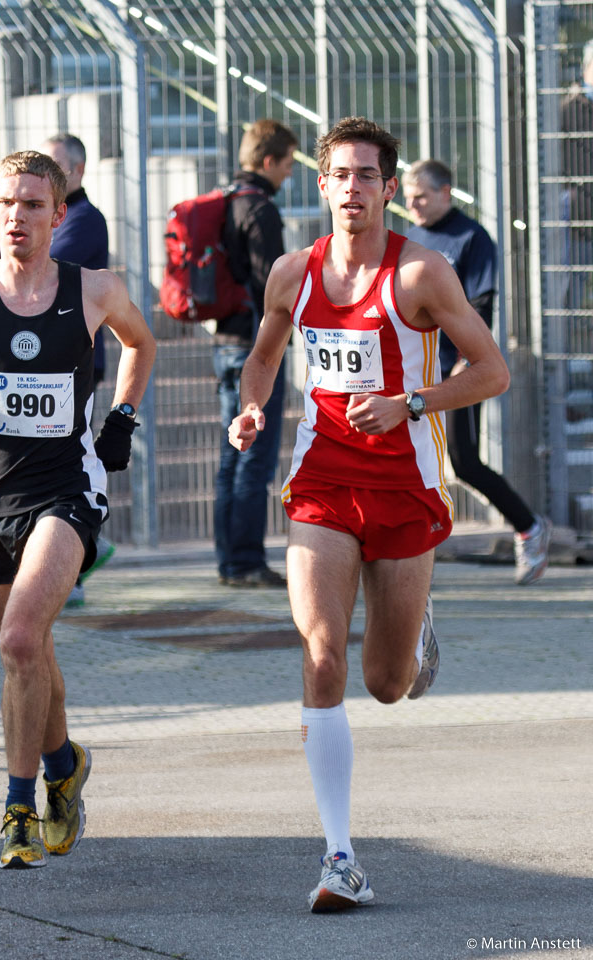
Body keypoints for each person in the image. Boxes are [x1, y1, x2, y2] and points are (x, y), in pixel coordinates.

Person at [228, 117, 510, 912]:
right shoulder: (294, 271)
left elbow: (492, 370)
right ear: (321, 186)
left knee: (386, 684)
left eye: (366, 176)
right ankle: (340, 857)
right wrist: (252, 409)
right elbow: (263, 357)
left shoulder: (422, 274)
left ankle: (414, 631)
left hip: (406, 486)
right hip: (320, 483)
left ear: (390, 188)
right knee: (321, 653)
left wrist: (411, 400)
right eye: (338, 176)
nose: (352, 189)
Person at [0, 150, 156, 870]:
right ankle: (65, 764)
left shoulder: (94, 288)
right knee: (27, 649)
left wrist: (122, 419)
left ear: (58, 214)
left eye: (33, 205)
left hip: (66, 488)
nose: (18, 216)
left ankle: (17, 809)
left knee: (17, 641)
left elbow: (142, 343)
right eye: (6, 203)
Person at [402, 159, 551, 586]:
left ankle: (530, 527)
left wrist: (467, 360)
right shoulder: (410, 237)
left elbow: (480, 305)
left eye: (422, 196)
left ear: (446, 192)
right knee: (409, 459)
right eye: (408, 197)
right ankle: (404, 553)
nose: (412, 204)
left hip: (454, 368)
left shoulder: (472, 238)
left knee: (464, 462)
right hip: (414, 367)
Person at [214, 118, 297, 587]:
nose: (288, 175)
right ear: (269, 161)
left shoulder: (225, 201)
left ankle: (228, 561)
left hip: (223, 340)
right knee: (255, 452)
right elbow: (275, 286)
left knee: (231, 454)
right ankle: (245, 561)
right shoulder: (261, 210)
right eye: (286, 165)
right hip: (255, 345)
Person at [41, 133, 113, 607]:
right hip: (45, 365)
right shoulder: (53, 218)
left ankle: (79, 566)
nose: (46, 175)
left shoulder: (85, 220)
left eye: (57, 166)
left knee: (69, 470)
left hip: (76, 367)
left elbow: (42, 268)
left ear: (80, 171)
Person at [561, 39, 593, 311]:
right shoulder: (567, 108)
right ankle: (569, 349)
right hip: (580, 213)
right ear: (586, 69)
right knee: (572, 287)